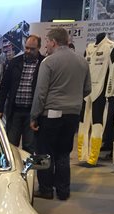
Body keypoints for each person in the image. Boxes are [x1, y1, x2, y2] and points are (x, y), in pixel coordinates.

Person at [30, 28, 91, 200]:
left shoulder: (48, 62)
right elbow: (87, 89)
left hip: (50, 114)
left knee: (43, 152)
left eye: (47, 42)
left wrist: (34, 116)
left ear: (54, 42)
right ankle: (63, 191)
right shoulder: (82, 61)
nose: (46, 46)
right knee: (64, 153)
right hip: (73, 114)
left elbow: (41, 93)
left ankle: (45, 189)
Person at [0, 35, 45, 153]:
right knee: (11, 146)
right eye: (26, 48)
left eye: (32, 49)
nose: (28, 51)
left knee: (30, 146)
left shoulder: (44, 64)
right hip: (14, 111)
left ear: (39, 48)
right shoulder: (14, 62)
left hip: (32, 113)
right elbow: (4, 86)